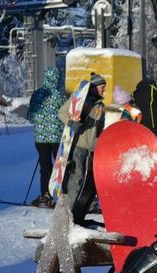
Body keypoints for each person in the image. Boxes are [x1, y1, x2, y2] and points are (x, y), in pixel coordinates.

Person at [59, 72, 107, 221]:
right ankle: (69, 212)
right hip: (78, 145)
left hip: (91, 148)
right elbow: (61, 112)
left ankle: (81, 211)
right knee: (77, 177)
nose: (104, 91)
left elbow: (99, 127)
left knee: (88, 180)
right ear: (94, 87)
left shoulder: (100, 105)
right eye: (102, 88)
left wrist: (101, 141)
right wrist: (72, 123)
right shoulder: (79, 99)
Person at [27, 67, 67, 207]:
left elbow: (30, 116)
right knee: (59, 167)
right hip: (57, 138)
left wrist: (40, 123)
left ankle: (45, 193)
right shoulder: (60, 96)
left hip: (41, 139)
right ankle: (61, 194)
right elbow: (66, 115)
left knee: (45, 167)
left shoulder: (37, 94)